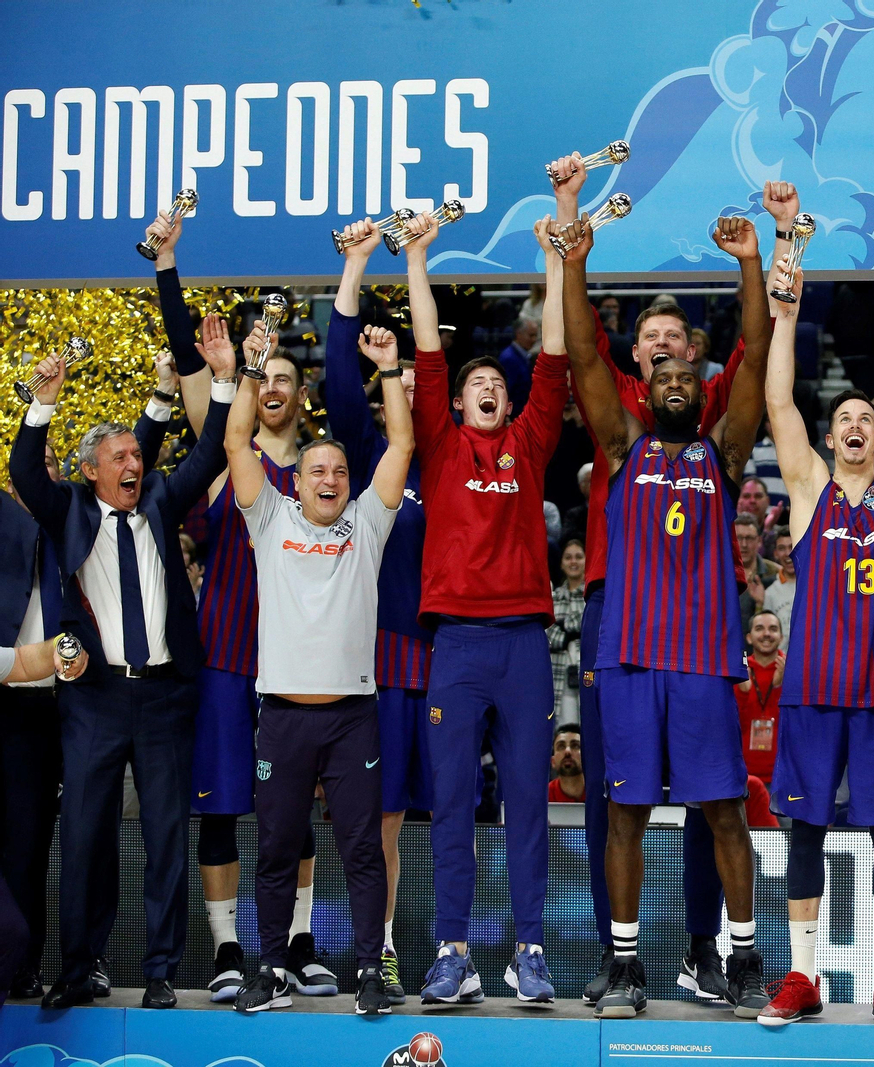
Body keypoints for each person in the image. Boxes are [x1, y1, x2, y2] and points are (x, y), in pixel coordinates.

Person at [550, 152, 795, 1007]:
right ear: (646, 390)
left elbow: (754, 357)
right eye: (666, 377)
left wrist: (751, 262)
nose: (680, 382)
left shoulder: (723, 453)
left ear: (702, 383)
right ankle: (624, 960)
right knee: (624, 813)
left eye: (691, 374)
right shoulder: (622, 446)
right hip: (628, 658)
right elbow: (584, 352)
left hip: (700, 663)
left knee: (723, 809)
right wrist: (575, 262)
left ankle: (742, 954)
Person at [144, 208, 331, 1005]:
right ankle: (227, 949)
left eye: (286, 377)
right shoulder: (230, 459)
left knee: (293, 812)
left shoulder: (325, 474)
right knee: (221, 807)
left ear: (302, 393)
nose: (274, 386)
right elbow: (195, 366)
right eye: (265, 376)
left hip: (296, 663)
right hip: (224, 657)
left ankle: (297, 942)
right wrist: (167, 267)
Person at [11, 340, 234, 1010]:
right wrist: (43, 404)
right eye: (120, 458)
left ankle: (161, 970)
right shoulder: (70, 509)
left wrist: (224, 383)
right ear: (91, 471)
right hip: (95, 698)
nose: (135, 463)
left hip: (165, 694)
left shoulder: (161, 498)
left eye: (138, 454)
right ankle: (79, 967)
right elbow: (25, 474)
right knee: (84, 836)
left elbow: (209, 454)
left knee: (166, 837)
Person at [758, 250, 874, 1029]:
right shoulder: (807, 489)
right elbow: (778, 401)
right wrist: (786, 316)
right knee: (805, 829)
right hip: (812, 692)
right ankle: (803, 975)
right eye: (844, 419)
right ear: (831, 436)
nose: (856, 426)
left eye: (867, 419)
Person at [406, 211, 571, 1008]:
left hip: (523, 645)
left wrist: (553, 261)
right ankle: (453, 951)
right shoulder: (441, 444)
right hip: (459, 645)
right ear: (458, 400)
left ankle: (528, 950)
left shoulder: (529, 445)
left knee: (528, 803)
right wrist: (417, 259)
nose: (490, 389)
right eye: (478, 385)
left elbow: (555, 358)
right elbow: (427, 353)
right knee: (451, 804)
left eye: (498, 385)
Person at [226, 319, 411, 1016]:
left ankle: (369, 969)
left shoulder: (368, 523)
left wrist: (389, 371)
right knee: (276, 848)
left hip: (352, 717)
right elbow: (235, 441)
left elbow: (402, 444)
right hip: (282, 717)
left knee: (362, 850)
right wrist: (250, 368)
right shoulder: (269, 518)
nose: (330, 479)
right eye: (317, 471)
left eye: (339, 471)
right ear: (295, 482)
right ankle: (271, 966)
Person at [323, 216, 435, 1005]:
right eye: (400, 381)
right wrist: (355, 271)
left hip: (456, 660)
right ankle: (382, 949)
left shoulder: (457, 458)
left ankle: (458, 950)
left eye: (422, 381)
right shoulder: (370, 459)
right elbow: (337, 376)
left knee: (455, 816)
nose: (410, 390)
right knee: (384, 820)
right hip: (388, 662)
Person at [1, 420, 76, 1003]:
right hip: (4, 697)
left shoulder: (71, 531)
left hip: (51, 711)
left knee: (30, 846)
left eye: (53, 463)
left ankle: (23, 965)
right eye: (35, 463)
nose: (42, 472)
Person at [0, 633, 89, 1006]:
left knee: (11, 930)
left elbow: (21, 663)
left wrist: (63, 646)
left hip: (32, 725)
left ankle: (23, 969)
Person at [737, 611, 784, 785]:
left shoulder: (793, 671)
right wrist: (742, 693)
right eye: (759, 628)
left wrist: (779, 688)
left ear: (781, 637)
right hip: (742, 776)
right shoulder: (738, 671)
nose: (766, 634)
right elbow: (727, 726)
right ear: (749, 638)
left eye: (773, 629)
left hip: (782, 777)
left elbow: (799, 728)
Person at [549, 538, 587, 725]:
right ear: (561, 564)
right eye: (568, 557)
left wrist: (563, 626)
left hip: (587, 674)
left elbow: (595, 630)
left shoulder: (594, 598)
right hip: (558, 676)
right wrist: (574, 632)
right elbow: (546, 634)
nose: (573, 562)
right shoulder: (553, 598)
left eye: (579, 557)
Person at [500, 315, 540, 415]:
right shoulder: (509, 358)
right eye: (531, 335)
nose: (534, 339)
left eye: (535, 336)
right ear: (518, 334)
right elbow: (505, 391)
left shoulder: (525, 356)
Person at [549, 724, 586, 802]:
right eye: (561, 746)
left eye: (575, 746)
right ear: (553, 761)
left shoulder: (603, 794)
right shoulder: (543, 796)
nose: (567, 751)